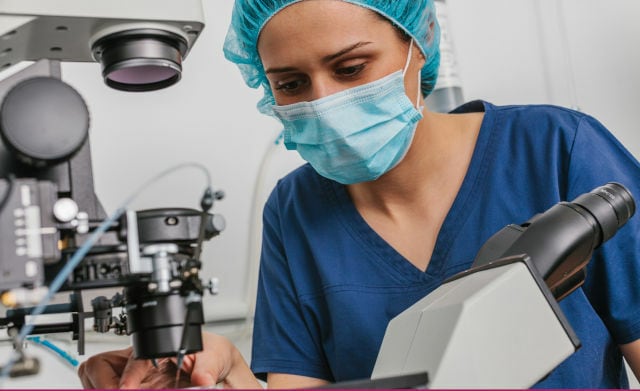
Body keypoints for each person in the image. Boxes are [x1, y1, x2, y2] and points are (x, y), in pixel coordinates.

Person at [78, 0, 640, 388]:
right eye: (291, 84)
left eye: (350, 67)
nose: (323, 101)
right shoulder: (294, 211)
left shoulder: (555, 149)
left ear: (419, 43)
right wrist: (229, 374)